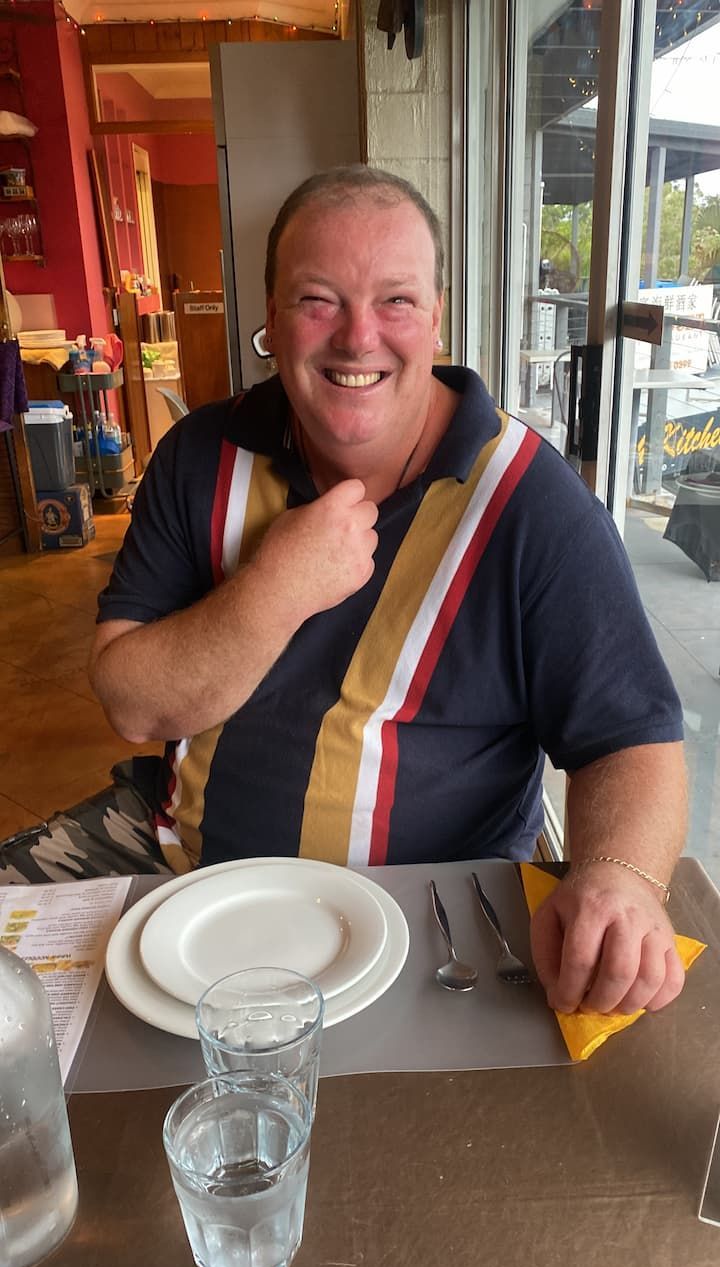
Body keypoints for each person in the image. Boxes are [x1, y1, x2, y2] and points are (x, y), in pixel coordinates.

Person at [6, 165, 687, 1019]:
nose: (359, 337)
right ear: (271, 318)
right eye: (318, 299)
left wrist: (620, 879)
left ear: (437, 317)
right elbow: (133, 706)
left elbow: (633, 742)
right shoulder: (199, 455)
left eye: (396, 301)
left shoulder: (532, 507)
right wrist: (277, 588)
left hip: (435, 916)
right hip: (179, 867)